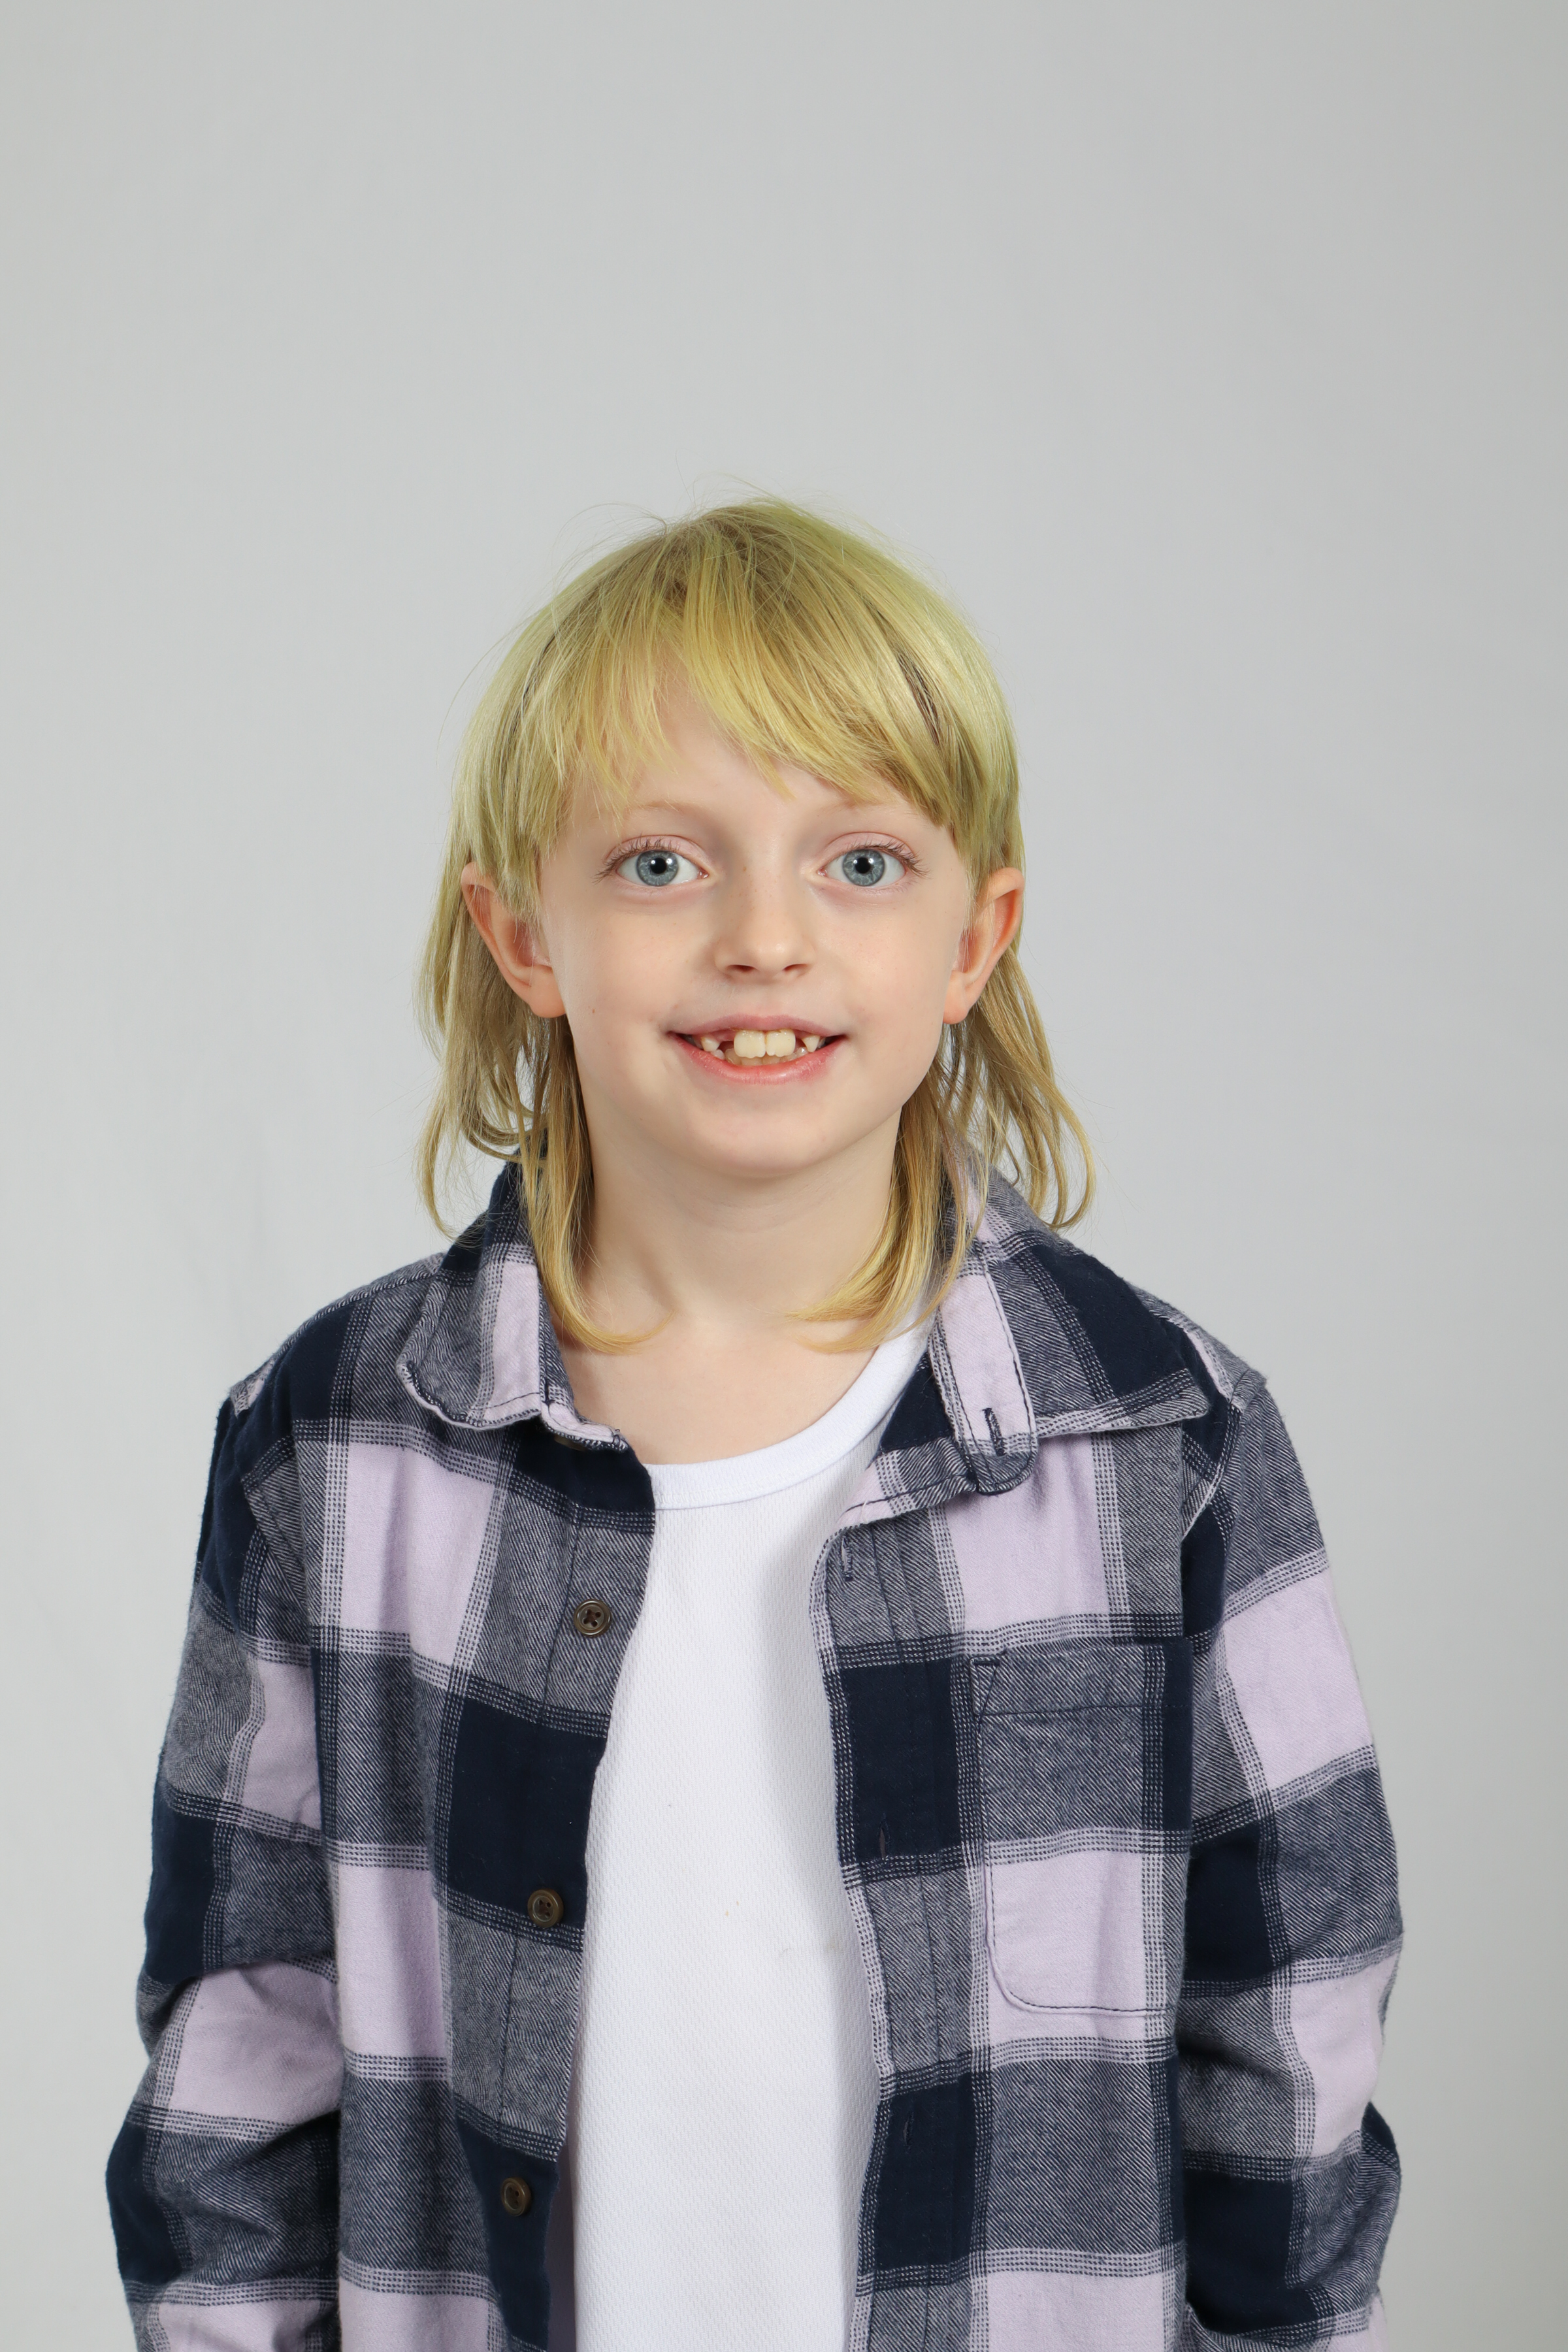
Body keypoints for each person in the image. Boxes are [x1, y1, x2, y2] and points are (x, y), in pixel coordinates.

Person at [106, 501, 1401, 2351]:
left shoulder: (1160, 1441)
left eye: (861, 862)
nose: (766, 940)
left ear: (977, 936)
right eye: (660, 864)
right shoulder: (335, 1445)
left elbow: (1289, 2029)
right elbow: (244, 2049)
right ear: (522, 932)